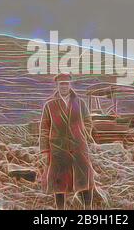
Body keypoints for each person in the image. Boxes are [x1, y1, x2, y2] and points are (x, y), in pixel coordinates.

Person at [39, 73, 95, 210]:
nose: (64, 86)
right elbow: (44, 128)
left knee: (85, 177)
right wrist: (45, 150)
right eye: (61, 84)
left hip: (79, 147)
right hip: (58, 148)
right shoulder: (49, 105)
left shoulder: (80, 103)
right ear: (57, 86)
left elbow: (88, 121)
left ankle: (88, 208)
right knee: (59, 181)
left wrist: (83, 135)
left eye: (66, 83)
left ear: (70, 85)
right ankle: (60, 209)